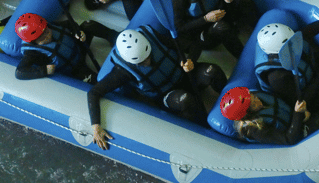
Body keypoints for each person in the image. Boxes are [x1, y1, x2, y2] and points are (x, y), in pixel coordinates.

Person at [89, 26, 227, 150]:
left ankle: (229, 106)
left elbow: (192, 45)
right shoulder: (122, 71)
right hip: (167, 94)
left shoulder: (153, 36)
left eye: (148, 56)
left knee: (212, 71)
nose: (148, 62)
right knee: (186, 100)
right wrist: (96, 126)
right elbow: (94, 93)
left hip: (185, 75)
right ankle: (204, 134)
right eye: (142, 62)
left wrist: (191, 60)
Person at [254, 5, 319, 128]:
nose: (296, 42)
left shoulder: (288, 39)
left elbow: (309, 30)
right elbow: (301, 99)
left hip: (308, 68)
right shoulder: (277, 77)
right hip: (302, 92)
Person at [13, 12, 99, 82]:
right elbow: (20, 72)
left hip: (78, 46)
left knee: (89, 25)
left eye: (46, 31)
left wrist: (77, 31)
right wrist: (44, 70)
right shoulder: (31, 53)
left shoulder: (43, 26)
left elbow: (68, 23)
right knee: (96, 79)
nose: (48, 35)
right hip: (74, 68)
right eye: (42, 37)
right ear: (33, 41)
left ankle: (112, 36)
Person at [219, 86, 308, 145]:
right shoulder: (254, 130)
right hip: (295, 135)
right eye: (253, 103)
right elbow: (289, 139)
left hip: (297, 118)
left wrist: (301, 113)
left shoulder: (252, 95)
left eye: (252, 96)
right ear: (248, 114)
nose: (257, 99)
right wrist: (298, 115)